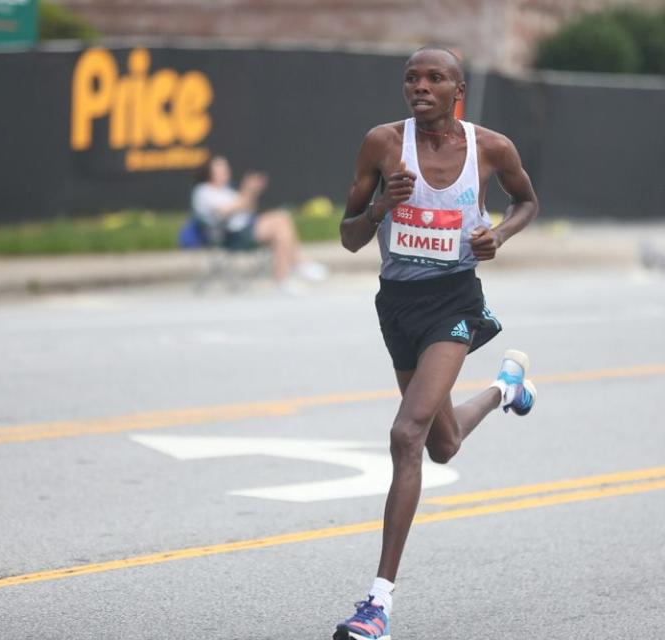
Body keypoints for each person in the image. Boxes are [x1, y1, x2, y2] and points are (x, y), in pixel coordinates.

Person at [332, 46, 539, 640]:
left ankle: (377, 604)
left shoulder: (490, 148)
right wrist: (380, 207)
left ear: (458, 90)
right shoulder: (381, 144)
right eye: (411, 78)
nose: (420, 86)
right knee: (442, 445)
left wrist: (497, 234)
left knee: (406, 433)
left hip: (454, 302)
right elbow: (348, 238)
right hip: (397, 306)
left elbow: (527, 200)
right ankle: (506, 388)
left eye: (434, 78)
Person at [191, 155, 326, 288]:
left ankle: (284, 276)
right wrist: (246, 190)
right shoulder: (204, 191)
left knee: (281, 225)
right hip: (229, 235)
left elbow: (248, 208)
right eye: (220, 169)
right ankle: (297, 265)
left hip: (245, 227)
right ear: (209, 172)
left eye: (226, 168)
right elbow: (227, 210)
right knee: (280, 223)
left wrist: (252, 192)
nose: (225, 172)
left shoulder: (227, 190)